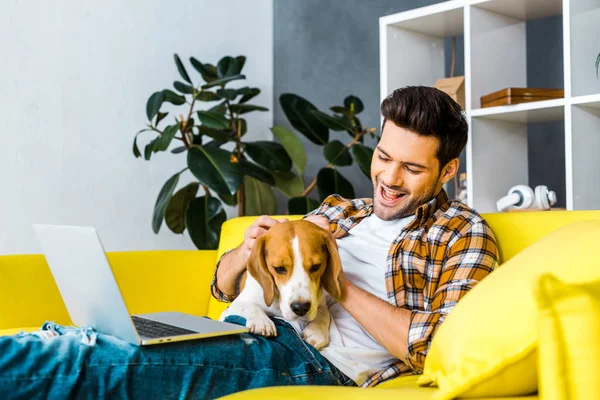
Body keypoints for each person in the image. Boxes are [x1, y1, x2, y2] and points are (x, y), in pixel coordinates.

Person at [0, 86, 498, 399]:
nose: (387, 178)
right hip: (245, 324)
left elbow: (438, 347)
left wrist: (330, 282)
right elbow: (221, 288)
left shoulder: (461, 233)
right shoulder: (339, 210)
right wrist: (246, 253)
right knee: (68, 337)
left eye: (411, 168)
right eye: (384, 156)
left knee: (88, 363)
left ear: (448, 170)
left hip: (310, 359)